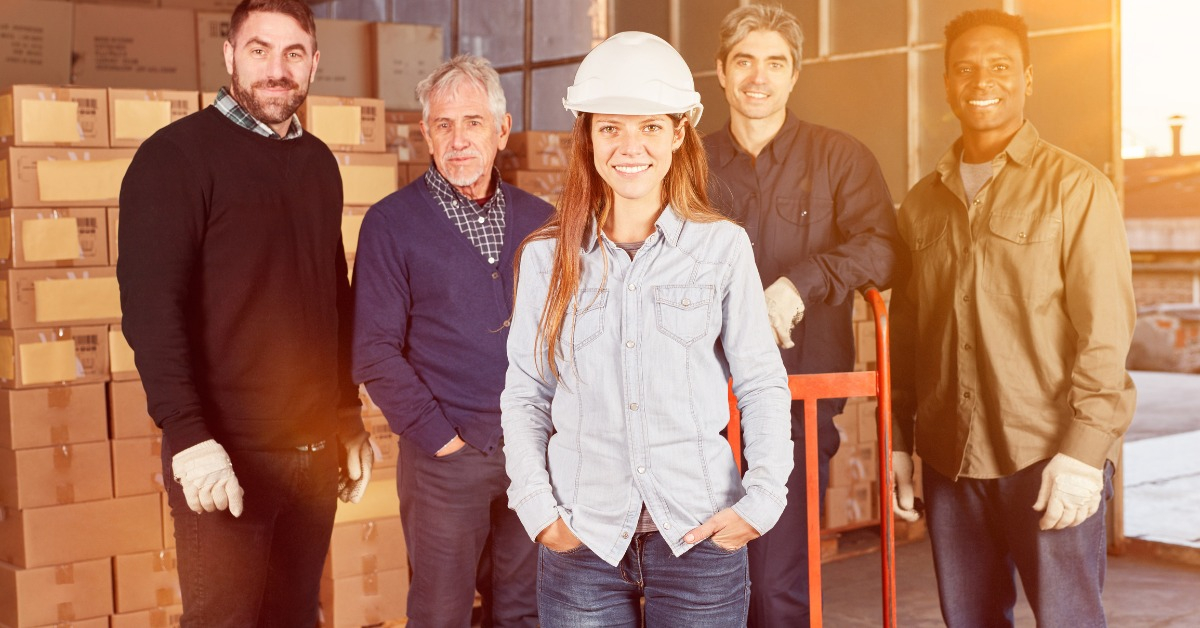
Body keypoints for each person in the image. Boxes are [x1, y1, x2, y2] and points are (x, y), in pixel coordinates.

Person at [501, 31, 793, 626]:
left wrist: (763, 500)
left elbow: (761, 382)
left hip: (699, 534)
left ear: (679, 132)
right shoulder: (545, 260)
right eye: (611, 127)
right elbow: (527, 393)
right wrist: (538, 509)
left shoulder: (722, 248)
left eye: (651, 127)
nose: (630, 146)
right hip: (582, 539)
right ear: (587, 136)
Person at [117, 0, 373, 624]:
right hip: (225, 458)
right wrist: (188, 436)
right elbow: (152, 311)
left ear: (314, 62)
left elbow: (329, 297)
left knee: (295, 617)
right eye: (259, 50)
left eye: (293, 54)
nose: (276, 69)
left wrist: (346, 413)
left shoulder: (318, 164)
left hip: (312, 457)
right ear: (230, 55)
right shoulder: (174, 159)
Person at [890, 9, 1136, 627]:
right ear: (947, 84)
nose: (982, 80)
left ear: (1028, 79)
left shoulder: (1076, 190)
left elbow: (1105, 333)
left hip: (1048, 458)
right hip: (951, 461)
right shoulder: (921, 204)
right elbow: (909, 338)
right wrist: (899, 440)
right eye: (965, 68)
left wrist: (1085, 453)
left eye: (1000, 66)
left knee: (1067, 620)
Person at [703, 6, 901, 625]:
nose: (757, 78)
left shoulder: (839, 157)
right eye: (743, 62)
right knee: (705, 581)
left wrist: (799, 283)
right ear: (720, 72)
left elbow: (883, 249)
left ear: (794, 76)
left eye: (774, 63)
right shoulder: (690, 162)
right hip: (702, 404)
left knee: (777, 588)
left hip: (796, 405)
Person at [352, 55, 551, 627]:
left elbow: (565, 334)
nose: (459, 140)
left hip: (531, 453)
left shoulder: (541, 222)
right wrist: (441, 441)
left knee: (524, 609)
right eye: (444, 125)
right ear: (425, 134)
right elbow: (373, 350)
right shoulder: (391, 224)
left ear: (502, 129)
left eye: (473, 122)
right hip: (445, 458)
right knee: (441, 613)